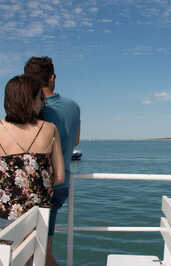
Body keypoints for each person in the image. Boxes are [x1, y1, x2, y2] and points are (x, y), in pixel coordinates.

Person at [24, 56, 80, 266]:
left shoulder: (33, 108)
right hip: (61, 185)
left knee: (33, 252)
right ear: (52, 77)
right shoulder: (73, 107)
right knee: (42, 250)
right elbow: (75, 140)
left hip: (36, 187)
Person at [0, 75, 65, 227]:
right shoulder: (50, 129)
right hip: (38, 219)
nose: (42, 103)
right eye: (40, 98)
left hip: (4, 219)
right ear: (30, 100)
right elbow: (60, 177)